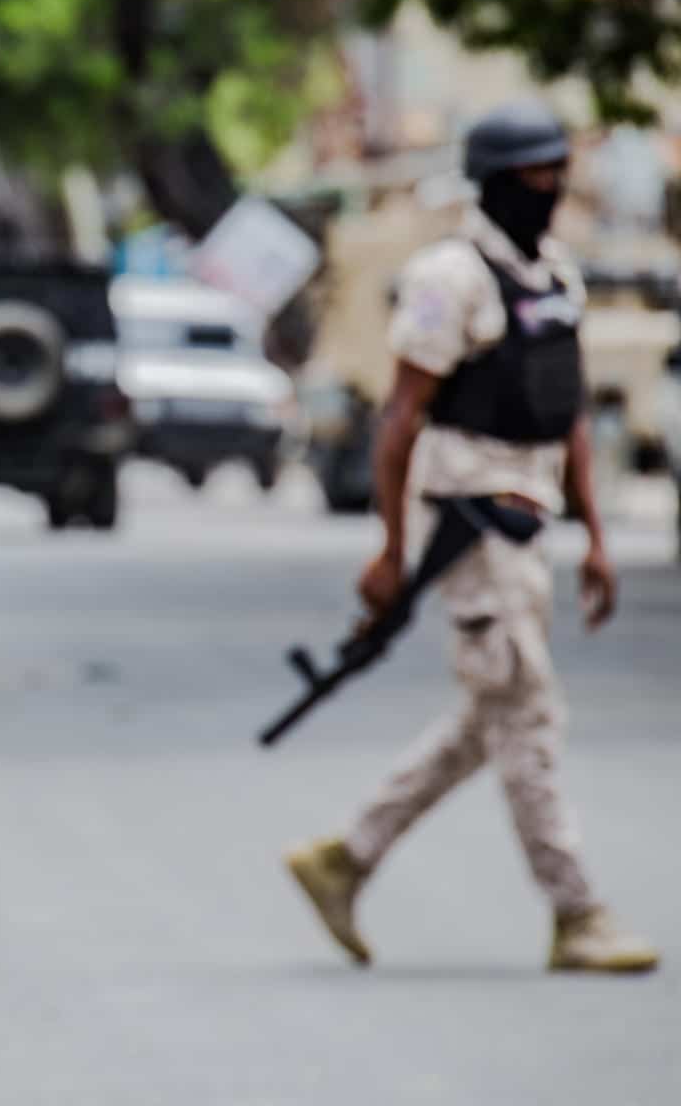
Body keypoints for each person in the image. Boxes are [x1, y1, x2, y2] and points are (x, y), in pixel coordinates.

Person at [286, 100, 658, 974]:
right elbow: (400, 420)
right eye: (531, 174)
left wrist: (596, 537)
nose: (549, 188)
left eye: (554, 171)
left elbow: (563, 414)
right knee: (527, 709)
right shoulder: (448, 278)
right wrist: (389, 550)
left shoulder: (555, 276)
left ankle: (346, 858)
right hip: (467, 521)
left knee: (491, 711)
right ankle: (579, 912)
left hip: (529, 520)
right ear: (494, 183)